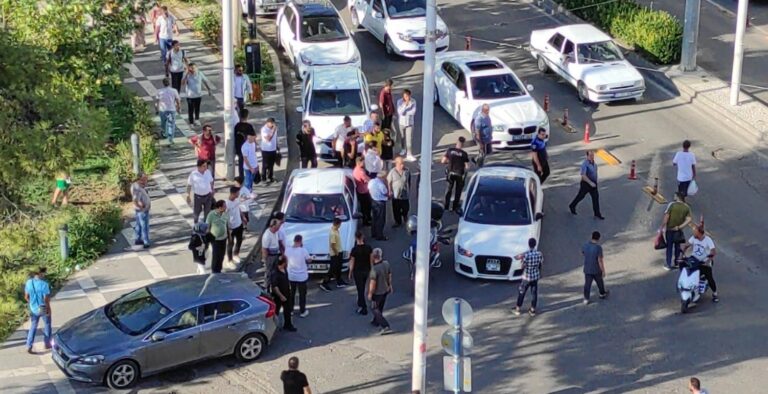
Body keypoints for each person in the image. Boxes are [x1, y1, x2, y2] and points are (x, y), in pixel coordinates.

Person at [682, 226, 719, 302]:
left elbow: (713, 251)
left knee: (709, 277)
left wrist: (708, 261)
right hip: (694, 259)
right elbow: (686, 245)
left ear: (699, 233)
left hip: (704, 261)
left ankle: (715, 293)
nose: (693, 233)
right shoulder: (693, 238)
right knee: (687, 271)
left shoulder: (708, 240)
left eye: (695, 232)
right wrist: (682, 254)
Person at [568, 150, 604, 220]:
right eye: (590, 155)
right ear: (587, 156)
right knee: (581, 196)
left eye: (593, 155)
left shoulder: (594, 164)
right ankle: (572, 205)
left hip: (593, 184)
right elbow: (583, 176)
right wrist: (590, 183)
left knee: (595, 198)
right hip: (586, 184)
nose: (592, 157)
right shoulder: (585, 164)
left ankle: (597, 213)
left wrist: (595, 182)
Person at [661, 192, 693, 270]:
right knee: (677, 247)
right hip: (678, 231)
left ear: (678, 197)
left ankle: (668, 264)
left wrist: (662, 227)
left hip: (670, 229)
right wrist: (680, 227)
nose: (674, 197)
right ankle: (677, 263)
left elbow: (666, 217)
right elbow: (689, 219)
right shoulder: (686, 207)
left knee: (669, 247)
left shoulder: (672, 205)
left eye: (675, 196)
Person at [24, 267, 51, 354]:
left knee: (33, 326)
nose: (44, 275)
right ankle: (47, 343)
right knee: (47, 324)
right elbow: (46, 299)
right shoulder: (44, 284)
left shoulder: (29, 282)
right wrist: (48, 309)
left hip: (33, 308)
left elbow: (26, 297)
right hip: (42, 307)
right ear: (40, 273)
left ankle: (29, 345)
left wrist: (32, 303)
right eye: (44, 273)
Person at [513, 238, 543, 316]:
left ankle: (518, 309)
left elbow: (522, 266)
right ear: (535, 244)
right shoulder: (539, 254)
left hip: (526, 277)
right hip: (535, 276)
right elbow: (540, 263)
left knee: (522, 292)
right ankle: (532, 310)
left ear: (529, 244)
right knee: (534, 293)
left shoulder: (526, 255)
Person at [368, 248, 393, 335]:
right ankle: (376, 321)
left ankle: (385, 326)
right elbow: (389, 275)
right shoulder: (386, 263)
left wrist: (370, 293)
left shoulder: (374, 269)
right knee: (380, 306)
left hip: (377, 293)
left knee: (374, 308)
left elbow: (373, 282)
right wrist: (390, 285)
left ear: (373, 257)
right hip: (385, 290)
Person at [442, 136, 469, 212]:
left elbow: (443, 161)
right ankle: (454, 207)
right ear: (463, 144)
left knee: (448, 189)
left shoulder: (450, 150)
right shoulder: (464, 154)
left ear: (457, 142)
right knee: (458, 191)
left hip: (450, 173)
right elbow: (467, 166)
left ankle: (446, 207)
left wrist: (449, 162)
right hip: (459, 174)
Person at [348, 231, 373, 315]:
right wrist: (372, 269)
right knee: (363, 286)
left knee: (360, 289)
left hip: (357, 271)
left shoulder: (354, 250)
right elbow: (371, 260)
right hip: (366, 270)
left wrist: (350, 272)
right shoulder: (368, 248)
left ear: (356, 238)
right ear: (363, 237)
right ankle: (360, 302)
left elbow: (352, 262)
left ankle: (363, 307)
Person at [181, 62, 212, 127]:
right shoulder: (187, 75)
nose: (193, 70)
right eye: (191, 68)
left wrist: (209, 89)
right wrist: (186, 74)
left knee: (197, 108)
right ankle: (191, 122)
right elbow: (182, 83)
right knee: (191, 109)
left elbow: (204, 81)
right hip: (190, 96)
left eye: (194, 68)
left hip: (198, 94)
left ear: (196, 68)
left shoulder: (200, 73)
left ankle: (197, 119)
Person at [319, 218, 346, 291]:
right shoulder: (333, 233)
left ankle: (339, 281)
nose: (340, 226)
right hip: (335, 254)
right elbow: (332, 245)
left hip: (339, 251)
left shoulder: (336, 230)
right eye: (340, 224)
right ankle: (324, 283)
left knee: (338, 267)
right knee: (332, 269)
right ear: (337, 224)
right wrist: (337, 253)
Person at [582, 231, 609, 304]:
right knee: (600, 282)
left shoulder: (585, 245)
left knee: (587, 284)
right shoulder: (598, 248)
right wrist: (603, 270)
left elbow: (583, 253)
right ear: (598, 238)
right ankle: (602, 293)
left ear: (592, 236)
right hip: (596, 269)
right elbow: (600, 260)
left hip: (587, 268)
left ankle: (586, 298)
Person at [271, 257, 297, 332]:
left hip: (287, 293)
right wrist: (281, 296)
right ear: (283, 263)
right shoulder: (275, 273)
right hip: (278, 296)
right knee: (276, 312)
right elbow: (275, 287)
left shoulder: (284, 269)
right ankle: (273, 327)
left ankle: (288, 325)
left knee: (287, 310)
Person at [186, 159, 214, 223]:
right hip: (198, 197)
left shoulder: (208, 172)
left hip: (208, 196)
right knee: (197, 212)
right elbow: (189, 185)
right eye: (204, 166)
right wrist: (188, 195)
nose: (206, 167)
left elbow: (211, 181)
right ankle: (196, 224)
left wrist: (212, 189)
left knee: (207, 212)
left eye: (206, 166)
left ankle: (206, 225)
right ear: (199, 167)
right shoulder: (193, 174)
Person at [155, 77, 181, 144]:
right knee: (171, 125)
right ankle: (170, 139)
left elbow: (157, 102)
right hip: (171, 109)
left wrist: (157, 109)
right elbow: (178, 100)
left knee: (163, 123)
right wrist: (178, 108)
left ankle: (164, 134)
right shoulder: (174, 90)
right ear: (170, 83)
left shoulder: (159, 91)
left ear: (163, 83)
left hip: (163, 110)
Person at [205, 200, 228, 274]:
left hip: (224, 238)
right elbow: (207, 226)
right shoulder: (211, 215)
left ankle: (219, 269)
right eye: (224, 206)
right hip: (215, 239)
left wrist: (229, 237)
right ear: (219, 207)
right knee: (216, 255)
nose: (226, 207)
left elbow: (227, 225)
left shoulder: (225, 214)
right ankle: (214, 271)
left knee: (222, 255)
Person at [387, 157, 411, 228]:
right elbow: (389, 182)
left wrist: (409, 189)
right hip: (396, 195)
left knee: (406, 208)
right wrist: (390, 191)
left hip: (405, 194)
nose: (402, 165)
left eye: (403, 163)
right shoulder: (392, 172)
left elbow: (409, 181)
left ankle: (405, 215)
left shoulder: (407, 171)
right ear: (396, 164)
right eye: (401, 164)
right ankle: (398, 221)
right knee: (396, 210)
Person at [224, 187, 245, 268]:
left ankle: (236, 254)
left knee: (239, 240)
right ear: (233, 193)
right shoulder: (226, 204)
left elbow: (238, 208)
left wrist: (243, 217)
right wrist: (227, 228)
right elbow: (224, 217)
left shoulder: (236, 200)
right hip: (231, 227)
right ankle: (229, 260)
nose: (238, 194)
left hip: (239, 224)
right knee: (230, 243)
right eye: (237, 193)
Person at [131, 173, 151, 248]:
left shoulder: (139, 186)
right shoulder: (137, 187)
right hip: (142, 210)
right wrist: (141, 207)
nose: (146, 180)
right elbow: (135, 199)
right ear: (140, 179)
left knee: (139, 224)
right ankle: (146, 242)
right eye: (145, 178)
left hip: (140, 209)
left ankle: (138, 239)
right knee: (144, 225)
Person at [396, 89, 418, 160]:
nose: (406, 98)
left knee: (409, 139)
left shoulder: (413, 101)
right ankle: (403, 149)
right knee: (402, 137)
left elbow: (413, 112)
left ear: (409, 95)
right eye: (404, 96)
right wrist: (405, 105)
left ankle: (409, 154)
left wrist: (405, 112)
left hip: (410, 123)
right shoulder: (399, 102)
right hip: (401, 122)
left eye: (407, 96)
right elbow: (400, 112)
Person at [234, 109, 255, 177]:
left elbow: (235, 137)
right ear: (247, 116)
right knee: (249, 162)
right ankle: (249, 175)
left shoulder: (237, 126)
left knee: (241, 162)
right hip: (248, 148)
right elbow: (253, 137)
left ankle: (241, 176)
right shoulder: (249, 126)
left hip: (239, 147)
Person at [369, 170, 390, 241]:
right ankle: (379, 235)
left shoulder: (371, 181)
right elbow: (386, 193)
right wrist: (386, 184)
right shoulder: (381, 185)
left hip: (373, 201)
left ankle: (373, 233)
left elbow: (369, 189)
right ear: (383, 177)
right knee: (380, 220)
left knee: (374, 218)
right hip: (380, 202)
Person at [262, 218, 283, 286]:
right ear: (274, 226)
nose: (279, 227)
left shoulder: (276, 232)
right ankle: (267, 286)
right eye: (278, 226)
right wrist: (266, 260)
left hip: (275, 255)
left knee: (274, 271)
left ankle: (274, 285)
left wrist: (282, 252)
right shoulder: (267, 235)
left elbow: (279, 242)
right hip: (270, 256)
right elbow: (264, 249)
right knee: (269, 272)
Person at [353, 157, 372, 226]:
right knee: (366, 207)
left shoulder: (355, 170)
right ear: (359, 163)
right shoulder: (361, 172)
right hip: (364, 191)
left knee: (364, 207)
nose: (364, 163)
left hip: (360, 191)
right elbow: (367, 180)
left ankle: (368, 218)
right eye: (363, 162)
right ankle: (366, 221)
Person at [261, 117, 279, 183]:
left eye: (273, 123)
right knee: (265, 165)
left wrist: (277, 146)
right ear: (267, 123)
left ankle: (270, 177)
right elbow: (268, 139)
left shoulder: (274, 128)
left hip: (273, 149)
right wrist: (273, 130)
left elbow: (275, 137)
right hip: (266, 149)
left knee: (271, 165)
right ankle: (263, 178)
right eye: (271, 123)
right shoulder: (264, 129)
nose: (272, 125)